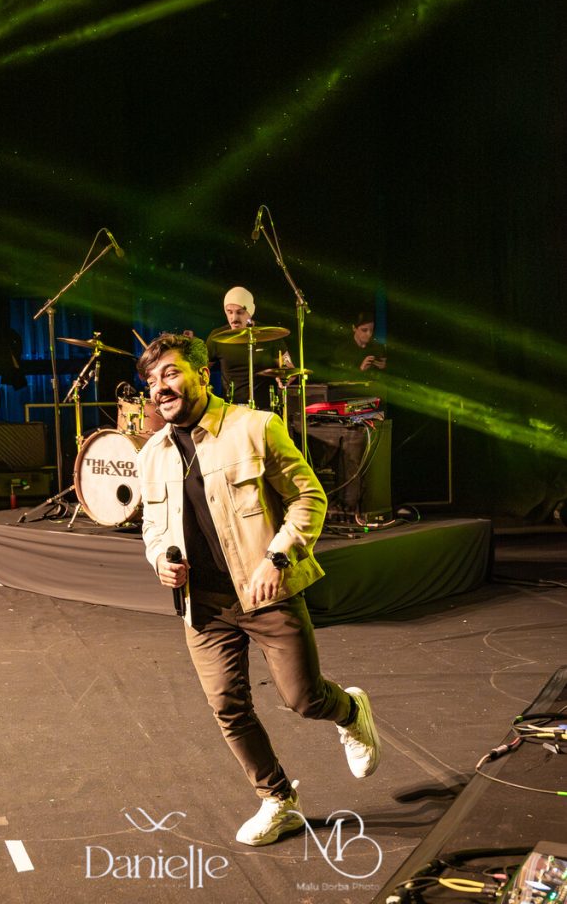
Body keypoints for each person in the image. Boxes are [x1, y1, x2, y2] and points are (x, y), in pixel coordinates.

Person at [136, 333, 380, 846]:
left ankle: (350, 711)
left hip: (265, 591)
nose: (160, 387)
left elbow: (309, 497)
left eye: (171, 373)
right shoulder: (152, 453)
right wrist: (160, 560)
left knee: (304, 699)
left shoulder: (255, 427)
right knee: (228, 707)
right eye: (153, 380)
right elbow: (152, 528)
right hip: (202, 605)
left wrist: (278, 556)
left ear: (203, 375)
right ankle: (278, 800)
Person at [205, 286, 293, 409]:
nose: (234, 318)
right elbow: (202, 369)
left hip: (264, 409)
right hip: (231, 408)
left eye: (240, 312)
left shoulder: (270, 335)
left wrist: (285, 377)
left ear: (250, 311)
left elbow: (289, 367)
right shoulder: (217, 337)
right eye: (229, 312)